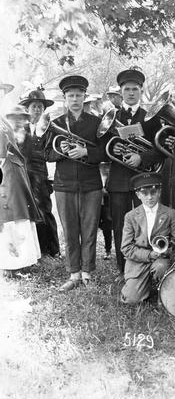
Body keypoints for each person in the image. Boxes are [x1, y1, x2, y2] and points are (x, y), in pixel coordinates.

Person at [43, 75, 107, 291]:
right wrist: (61, 152)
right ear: (65, 98)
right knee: (70, 231)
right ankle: (73, 273)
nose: (75, 99)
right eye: (71, 96)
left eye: (79, 95)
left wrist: (86, 151)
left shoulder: (96, 123)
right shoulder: (57, 124)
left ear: (84, 97)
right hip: (64, 185)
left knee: (89, 230)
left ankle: (87, 273)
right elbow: (45, 153)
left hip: (91, 184)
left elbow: (106, 152)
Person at [106, 68, 164, 282]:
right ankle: (124, 271)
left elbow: (159, 147)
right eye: (127, 89)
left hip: (144, 179)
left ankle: (148, 268)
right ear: (121, 92)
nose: (131, 93)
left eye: (135, 89)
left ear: (141, 90)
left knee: (147, 224)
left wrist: (142, 158)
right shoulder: (112, 116)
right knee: (121, 227)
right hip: (119, 180)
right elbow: (104, 144)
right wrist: (119, 151)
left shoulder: (151, 117)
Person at [120, 172, 175, 304]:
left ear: (159, 192)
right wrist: (149, 254)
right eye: (145, 193)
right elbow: (126, 247)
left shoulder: (170, 213)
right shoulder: (130, 216)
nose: (149, 197)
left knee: (160, 267)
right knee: (131, 299)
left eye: (153, 192)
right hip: (139, 261)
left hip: (161, 260)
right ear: (138, 195)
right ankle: (144, 286)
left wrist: (167, 251)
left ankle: (162, 294)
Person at [18, 88, 61, 260]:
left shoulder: (50, 129)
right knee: (27, 213)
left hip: (42, 176)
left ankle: (52, 250)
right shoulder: (21, 128)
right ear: (27, 109)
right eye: (34, 106)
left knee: (45, 211)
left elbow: (53, 153)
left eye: (40, 107)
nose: (37, 110)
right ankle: (33, 252)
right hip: (23, 175)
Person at [0, 107, 42, 277]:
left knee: (16, 214)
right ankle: (9, 263)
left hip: (13, 172)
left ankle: (17, 261)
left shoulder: (4, 122)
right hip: (7, 171)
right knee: (8, 215)